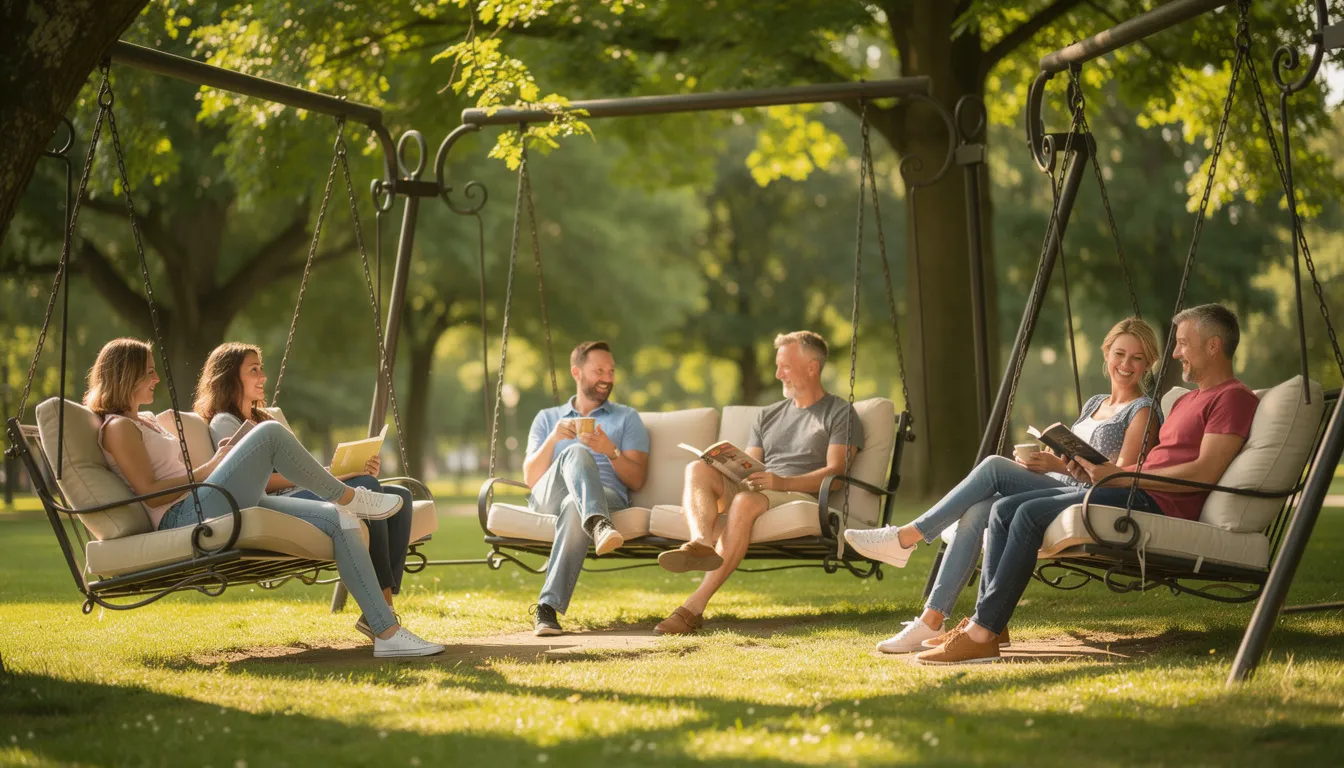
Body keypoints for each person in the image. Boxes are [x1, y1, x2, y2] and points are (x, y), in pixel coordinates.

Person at [913, 304, 1260, 665]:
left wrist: (1126, 476)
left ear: (1213, 345)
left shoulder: (1233, 397)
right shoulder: (1189, 398)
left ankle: (982, 633)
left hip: (1155, 501)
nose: (1175, 353)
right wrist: (1106, 472)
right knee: (1002, 509)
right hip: (1131, 487)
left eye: (1184, 344)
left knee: (1028, 514)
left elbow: (1205, 471)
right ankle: (991, 625)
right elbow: (1162, 459)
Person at [90, 338, 443, 658]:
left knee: (341, 519)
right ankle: (350, 495)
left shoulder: (147, 420)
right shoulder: (119, 428)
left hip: (207, 501)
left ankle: (387, 633)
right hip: (184, 516)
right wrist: (214, 465)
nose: (156, 379)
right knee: (271, 432)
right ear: (127, 376)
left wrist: (218, 464)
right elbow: (152, 495)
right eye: (149, 372)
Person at [844, 317, 1161, 653]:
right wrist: (1051, 459)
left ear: (1148, 363)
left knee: (994, 467)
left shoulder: (1142, 410)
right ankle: (932, 621)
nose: (1125, 365)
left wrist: (1055, 463)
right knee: (981, 508)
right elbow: (1076, 461)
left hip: (1088, 495)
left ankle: (906, 537)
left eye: (1137, 358)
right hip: (1061, 484)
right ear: (1106, 353)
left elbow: (1120, 476)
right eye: (1119, 354)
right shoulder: (1094, 403)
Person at [194, 342, 415, 642]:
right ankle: (383, 610)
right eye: (253, 370)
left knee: (401, 498)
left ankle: (379, 609)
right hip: (277, 501)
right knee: (369, 487)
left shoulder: (266, 420)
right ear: (229, 377)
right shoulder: (225, 422)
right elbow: (263, 483)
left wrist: (346, 470)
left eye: (261, 368)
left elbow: (299, 471)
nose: (262, 376)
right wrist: (339, 477)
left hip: (304, 490)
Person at [653, 331, 864, 635]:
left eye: (785, 367)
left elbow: (835, 476)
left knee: (745, 501)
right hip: (762, 486)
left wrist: (780, 482)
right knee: (697, 469)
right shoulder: (768, 414)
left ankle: (691, 609)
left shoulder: (840, 413)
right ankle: (700, 542)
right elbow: (748, 465)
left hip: (796, 493)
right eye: (778, 366)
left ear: (811, 367)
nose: (778, 374)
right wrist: (726, 466)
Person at [522, 341, 650, 637]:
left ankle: (547, 609)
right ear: (577, 372)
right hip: (549, 495)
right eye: (599, 370)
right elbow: (531, 479)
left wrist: (611, 451)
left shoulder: (627, 418)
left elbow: (637, 481)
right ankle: (599, 524)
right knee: (576, 453)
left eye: (611, 371)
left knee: (573, 505)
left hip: (607, 497)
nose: (607, 377)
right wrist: (554, 439)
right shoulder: (547, 418)